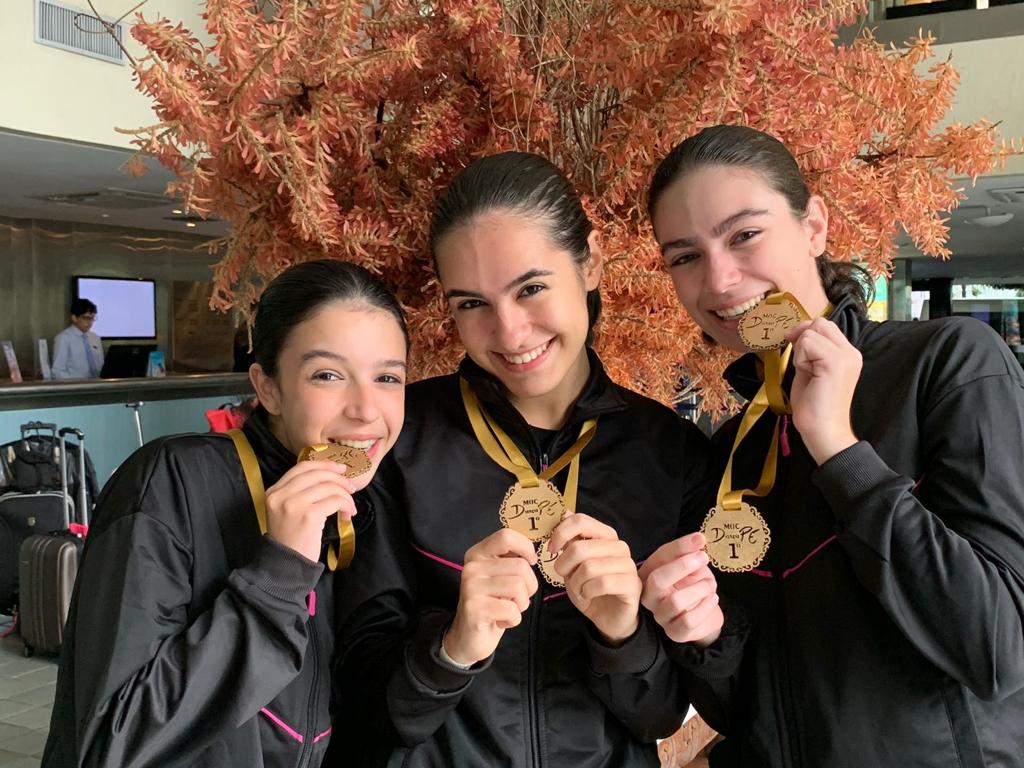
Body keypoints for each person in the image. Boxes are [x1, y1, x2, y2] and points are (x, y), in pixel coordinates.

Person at [642, 124, 1024, 767]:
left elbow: (998, 651)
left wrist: (841, 452)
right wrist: (704, 637)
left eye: (744, 235)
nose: (720, 280)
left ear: (814, 225)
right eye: (685, 257)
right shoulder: (733, 449)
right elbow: (746, 712)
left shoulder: (947, 363)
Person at [332, 152, 724, 768]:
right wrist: (452, 648)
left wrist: (622, 633)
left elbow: (660, 717)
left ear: (590, 262)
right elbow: (361, 709)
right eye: (472, 304)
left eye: (531, 288)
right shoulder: (397, 441)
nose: (511, 333)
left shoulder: (672, 454)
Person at [43, 260, 410, 768]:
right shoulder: (170, 481)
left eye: (388, 377)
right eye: (327, 375)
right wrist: (279, 574)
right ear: (268, 387)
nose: (366, 409)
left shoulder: (367, 504)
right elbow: (114, 741)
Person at [52, 298, 104, 379]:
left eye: (92, 318)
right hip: (75, 385)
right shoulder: (64, 338)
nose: (90, 322)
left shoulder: (95, 338)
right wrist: (78, 382)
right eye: (86, 318)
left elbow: (101, 366)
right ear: (74, 318)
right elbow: (57, 372)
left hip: (98, 383)